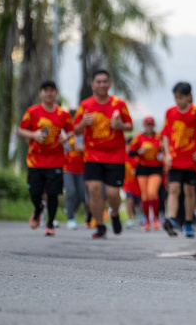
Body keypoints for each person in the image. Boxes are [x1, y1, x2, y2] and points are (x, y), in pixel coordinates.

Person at [73, 69, 133, 239]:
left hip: (115, 156)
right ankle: (99, 225)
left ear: (109, 84)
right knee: (94, 190)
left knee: (113, 193)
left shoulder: (119, 104)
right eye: (98, 82)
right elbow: (76, 130)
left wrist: (119, 125)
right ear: (93, 85)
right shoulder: (86, 105)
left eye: (105, 81)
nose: (102, 85)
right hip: (92, 155)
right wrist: (83, 123)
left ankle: (114, 213)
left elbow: (129, 125)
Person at [16, 81, 74, 237]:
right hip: (35, 160)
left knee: (53, 193)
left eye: (51, 90)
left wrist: (66, 137)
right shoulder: (32, 111)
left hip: (56, 161)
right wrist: (33, 135)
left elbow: (71, 131)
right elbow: (20, 130)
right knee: (35, 192)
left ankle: (50, 225)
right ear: (40, 93)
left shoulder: (63, 114)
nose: (49, 93)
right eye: (45, 90)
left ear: (56, 93)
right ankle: (38, 208)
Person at [160, 82, 196, 238]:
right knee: (173, 189)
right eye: (176, 97)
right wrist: (167, 153)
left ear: (188, 97)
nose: (178, 100)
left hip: (191, 158)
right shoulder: (170, 112)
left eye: (181, 97)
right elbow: (165, 134)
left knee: (189, 191)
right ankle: (172, 219)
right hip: (174, 158)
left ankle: (188, 222)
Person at [129, 116, 164, 230]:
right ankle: (147, 220)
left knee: (152, 192)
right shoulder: (139, 137)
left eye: (151, 125)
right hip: (143, 168)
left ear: (154, 125)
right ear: (144, 126)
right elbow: (130, 152)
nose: (149, 127)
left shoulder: (159, 137)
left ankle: (155, 219)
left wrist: (162, 154)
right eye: (147, 125)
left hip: (156, 168)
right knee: (144, 195)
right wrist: (140, 151)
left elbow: (165, 150)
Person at [62, 133, 88, 229]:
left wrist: (83, 147)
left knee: (81, 195)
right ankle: (71, 218)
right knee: (71, 192)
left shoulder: (84, 135)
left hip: (81, 169)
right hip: (67, 168)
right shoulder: (65, 134)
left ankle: (70, 210)